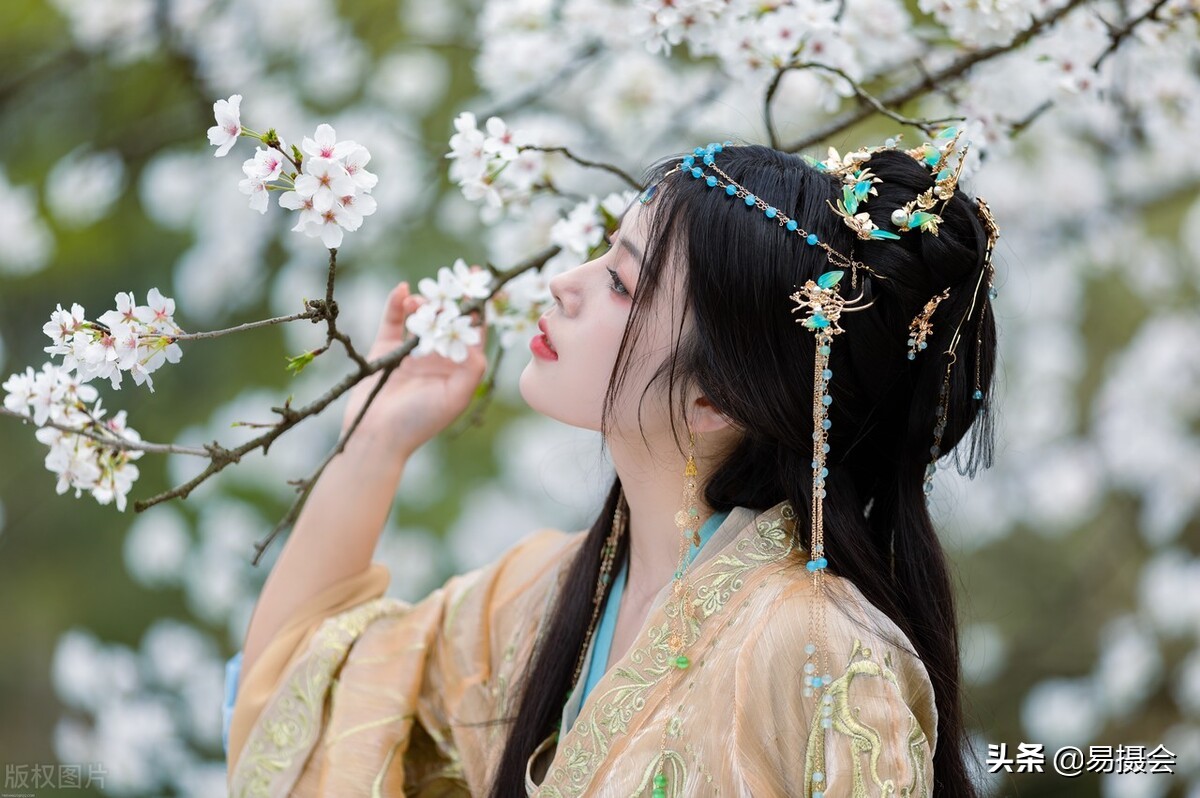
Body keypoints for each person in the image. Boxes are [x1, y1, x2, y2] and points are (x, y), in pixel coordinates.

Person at [224, 129, 999, 797]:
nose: (564, 283)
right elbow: (299, 709)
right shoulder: (540, 597)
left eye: (621, 282)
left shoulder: (815, 648)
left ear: (717, 400)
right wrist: (376, 440)